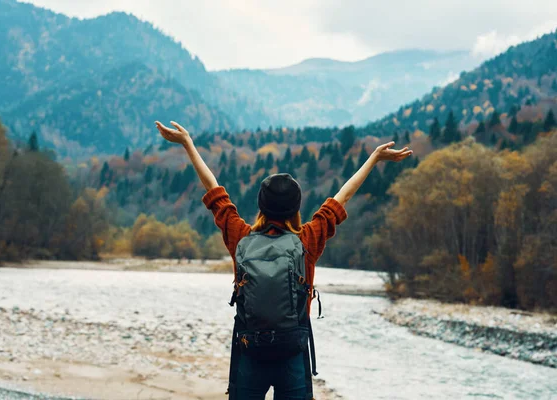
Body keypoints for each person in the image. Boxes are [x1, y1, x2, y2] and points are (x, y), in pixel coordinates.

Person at [155, 120, 412, 400]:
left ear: (261, 206)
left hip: (249, 351)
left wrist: (188, 143)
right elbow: (342, 197)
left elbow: (214, 190)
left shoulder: (241, 237)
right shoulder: (307, 240)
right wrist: (374, 158)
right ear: (296, 208)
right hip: (292, 352)